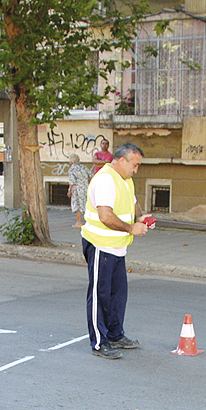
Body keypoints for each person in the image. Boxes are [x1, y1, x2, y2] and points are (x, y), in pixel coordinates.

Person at [82, 142, 151, 359]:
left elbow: (132, 204)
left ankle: (115, 334)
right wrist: (132, 227)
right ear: (121, 160)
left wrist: (140, 217)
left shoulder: (125, 179)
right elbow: (105, 216)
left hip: (118, 247)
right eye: (135, 165)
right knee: (100, 295)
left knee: (118, 294)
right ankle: (99, 343)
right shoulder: (105, 179)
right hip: (101, 245)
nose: (136, 170)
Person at [67, 153, 92, 228]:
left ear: (71, 161)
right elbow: (91, 176)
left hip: (76, 190)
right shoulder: (84, 167)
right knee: (85, 205)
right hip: (85, 188)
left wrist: (69, 190)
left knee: (77, 205)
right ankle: (89, 222)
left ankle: (79, 222)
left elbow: (72, 181)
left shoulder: (72, 169)